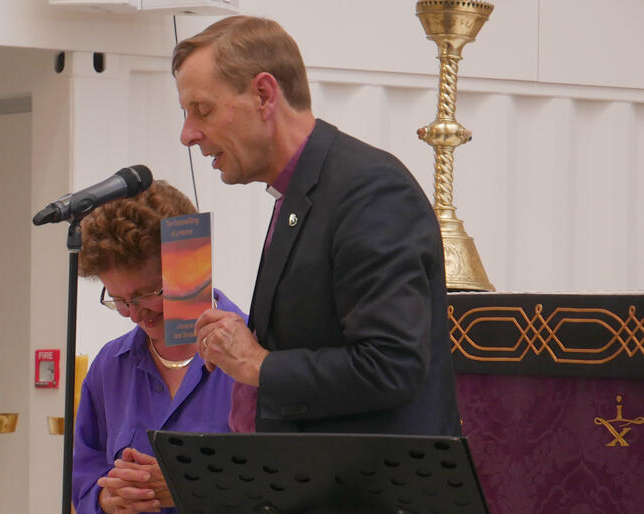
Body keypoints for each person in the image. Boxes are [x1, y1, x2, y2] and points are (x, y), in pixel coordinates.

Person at [174, 16, 461, 435]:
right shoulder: (305, 190)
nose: (187, 134)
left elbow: (391, 366)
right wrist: (246, 346)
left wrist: (260, 364)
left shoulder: (370, 190)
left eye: (202, 110)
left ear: (263, 94)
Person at [72, 181, 246, 513]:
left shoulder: (257, 352)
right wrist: (106, 499)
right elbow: (84, 474)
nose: (136, 315)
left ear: (189, 270)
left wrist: (191, 486)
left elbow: (290, 483)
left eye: (149, 294)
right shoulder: (110, 366)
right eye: (120, 301)